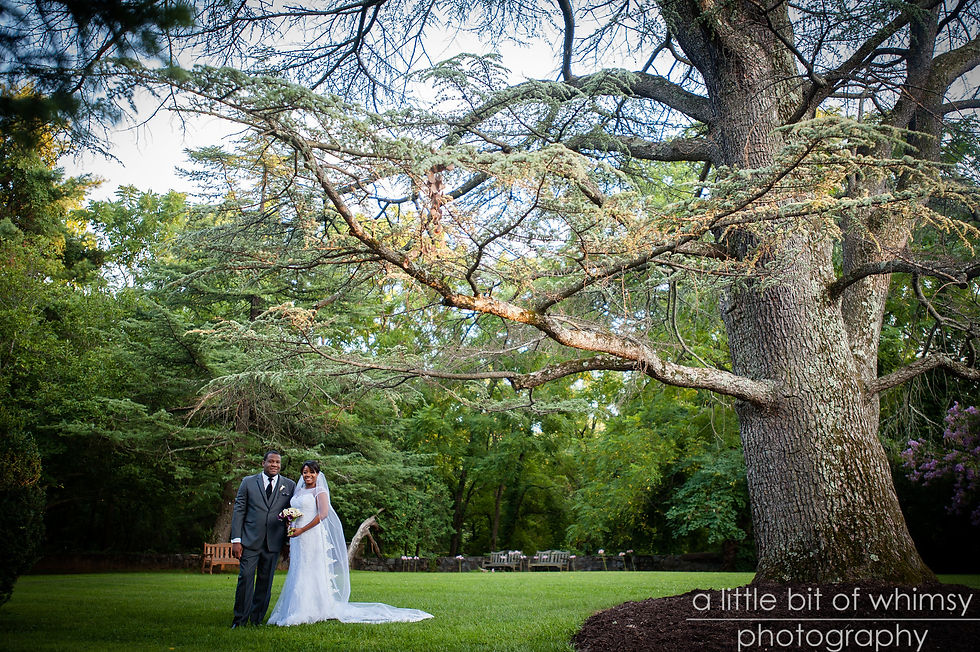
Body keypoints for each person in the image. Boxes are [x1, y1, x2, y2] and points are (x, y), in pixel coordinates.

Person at [267, 460, 433, 625]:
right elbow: (297, 512)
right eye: (305, 472)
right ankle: (295, 606)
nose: (308, 475)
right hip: (297, 537)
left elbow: (323, 514)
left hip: (311, 535)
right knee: (299, 568)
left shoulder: (320, 491)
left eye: (311, 472)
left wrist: (302, 530)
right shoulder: (299, 491)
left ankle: (312, 608)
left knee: (310, 568)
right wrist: (290, 523)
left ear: (318, 474)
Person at [229, 450, 296, 628]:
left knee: (265, 583)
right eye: (271, 462)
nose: (274, 465)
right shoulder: (248, 482)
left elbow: (292, 514)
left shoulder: (289, 485)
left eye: (278, 463)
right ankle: (240, 620)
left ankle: (257, 619)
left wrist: (288, 542)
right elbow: (239, 510)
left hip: (273, 542)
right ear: (263, 463)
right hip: (249, 541)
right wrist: (236, 539)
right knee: (245, 579)